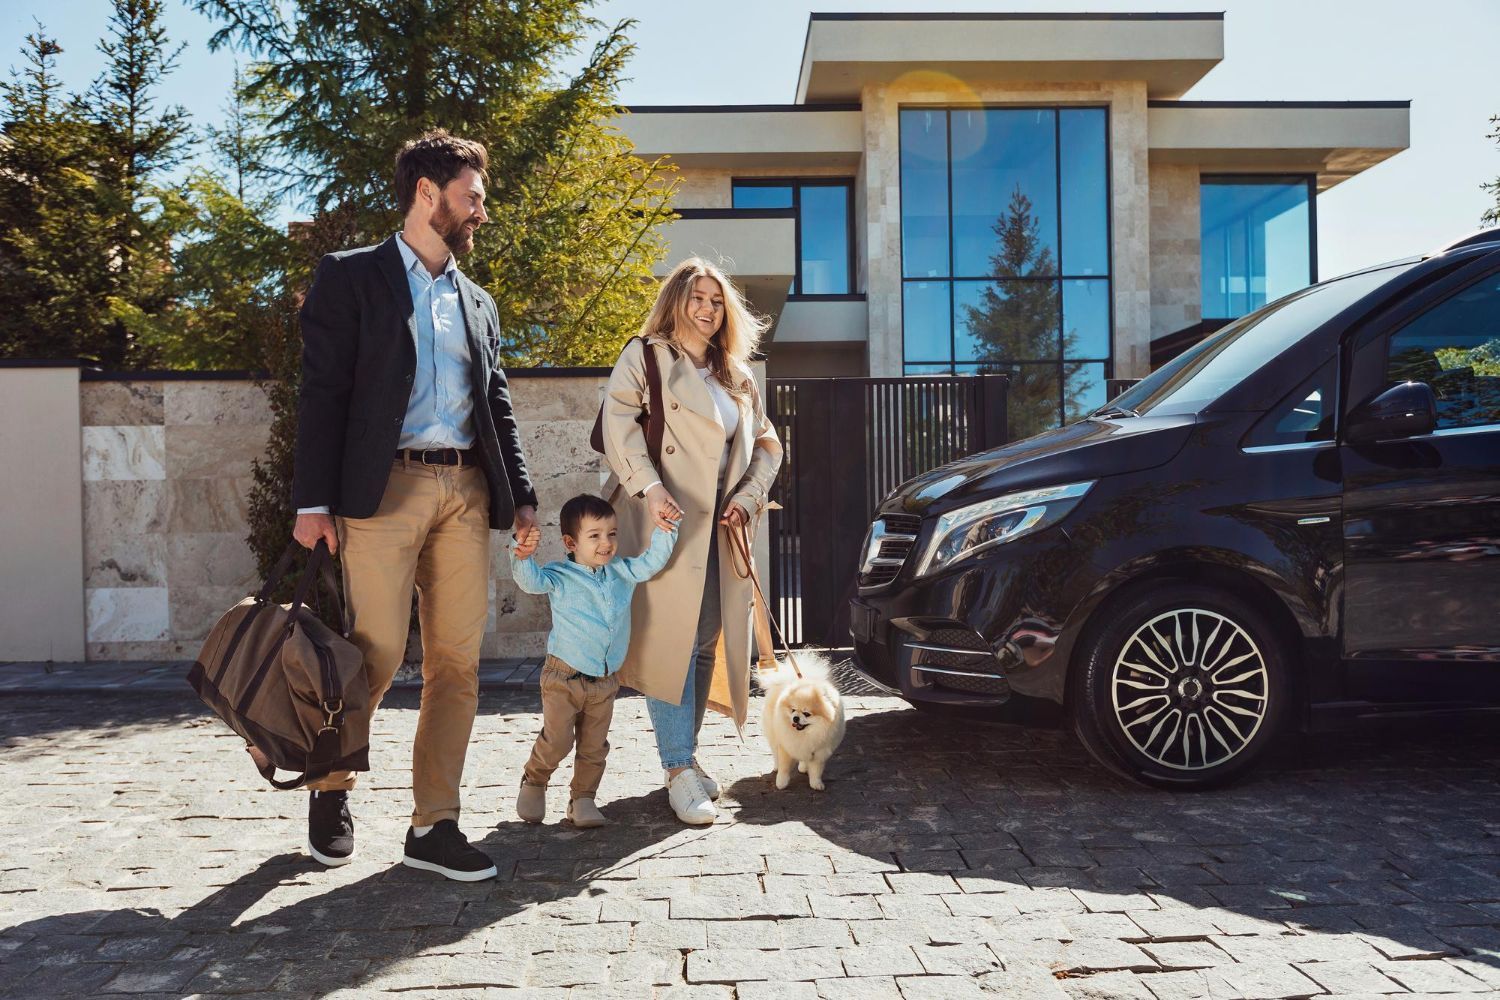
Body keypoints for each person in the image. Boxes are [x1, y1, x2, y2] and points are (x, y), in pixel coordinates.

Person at [289, 129, 538, 881]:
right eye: (473, 198)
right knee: (374, 652)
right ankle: (332, 787)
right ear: (427, 195)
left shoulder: (477, 302)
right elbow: (323, 393)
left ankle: (434, 824)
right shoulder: (351, 278)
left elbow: (496, 402)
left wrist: (520, 495)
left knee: (458, 661)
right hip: (383, 489)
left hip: (465, 490)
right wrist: (312, 501)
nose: (481, 214)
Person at [599, 257, 783, 825]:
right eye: (696, 297)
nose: (706, 309)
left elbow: (768, 445)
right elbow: (618, 425)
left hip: (721, 526)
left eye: (716, 300)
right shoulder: (646, 355)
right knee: (670, 643)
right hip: (664, 521)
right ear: (676, 300)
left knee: (704, 640)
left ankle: (686, 757)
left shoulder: (737, 373)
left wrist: (747, 498)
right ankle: (678, 768)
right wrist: (650, 490)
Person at [510, 494, 678, 827]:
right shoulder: (559, 575)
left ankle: (582, 799)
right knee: (558, 740)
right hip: (563, 678)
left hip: (604, 681)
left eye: (612, 533)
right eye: (595, 535)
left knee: (594, 747)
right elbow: (530, 582)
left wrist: (666, 528)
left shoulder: (622, 571)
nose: (607, 542)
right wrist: (523, 555)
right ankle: (535, 778)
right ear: (571, 542)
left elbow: (652, 561)